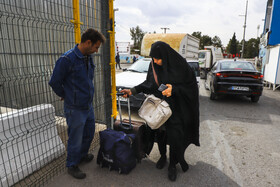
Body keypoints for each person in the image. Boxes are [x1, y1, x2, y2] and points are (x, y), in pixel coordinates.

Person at [121, 41, 200, 181]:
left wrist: (174, 89)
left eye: (158, 58)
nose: (155, 61)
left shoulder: (180, 66)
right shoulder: (153, 65)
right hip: (160, 107)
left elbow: (191, 87)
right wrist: (132, 91)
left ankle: (173, 165)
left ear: (166, 56)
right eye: (153, 58)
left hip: (177, 108)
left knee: (175, 137)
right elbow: (150, 84)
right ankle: (163, 157)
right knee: (160, 133)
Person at [49, 28, 106, 179]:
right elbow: (54, 81)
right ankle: (72, 165)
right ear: (88, 42)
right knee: (75, 137)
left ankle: (81, 156)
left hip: (87, 105)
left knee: (89, 132)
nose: (96, 50)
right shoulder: (67, 59)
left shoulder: (88, 57)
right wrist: (65, 95)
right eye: (96, 47)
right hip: (74, 107)